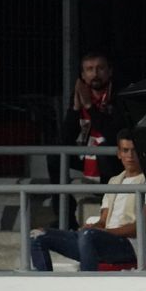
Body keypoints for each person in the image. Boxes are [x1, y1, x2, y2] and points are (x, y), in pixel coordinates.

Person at [30, 131, 146, 271]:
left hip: (129, 246)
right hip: (102, 240)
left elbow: (141, 227)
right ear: (119, 154)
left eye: (134, 150)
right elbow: (103, 220)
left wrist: (103, 232)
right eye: (125, 150)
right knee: (37, 235)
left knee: (88, 236)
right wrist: (93, 226)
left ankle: (88, 285)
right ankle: (46, 286)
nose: (130, 155)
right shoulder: (114, 182)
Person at [48, 51, 126, 227]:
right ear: (83, 75)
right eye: (89, 69)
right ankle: (65, 219)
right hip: (87, 154)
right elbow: (64, 140)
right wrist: (75, 109)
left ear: (110, 71)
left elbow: (112, 133)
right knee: (55, 157)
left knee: (105, 149)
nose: (95, 74)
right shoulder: (81, 96)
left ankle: (111, 213)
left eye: (100, 68)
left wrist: (90, 107)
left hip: (114, 157)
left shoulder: (119, 96)